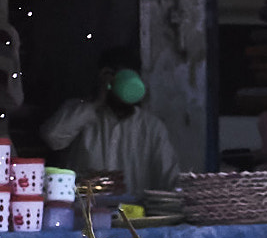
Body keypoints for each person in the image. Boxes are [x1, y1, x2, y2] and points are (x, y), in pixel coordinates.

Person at [39, 45, 178, 196]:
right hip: (85, 211)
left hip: (133, 214)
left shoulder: (151, 127)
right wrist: (97, 101)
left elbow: (170, 177)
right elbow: (52, 137)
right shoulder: (80, 113)